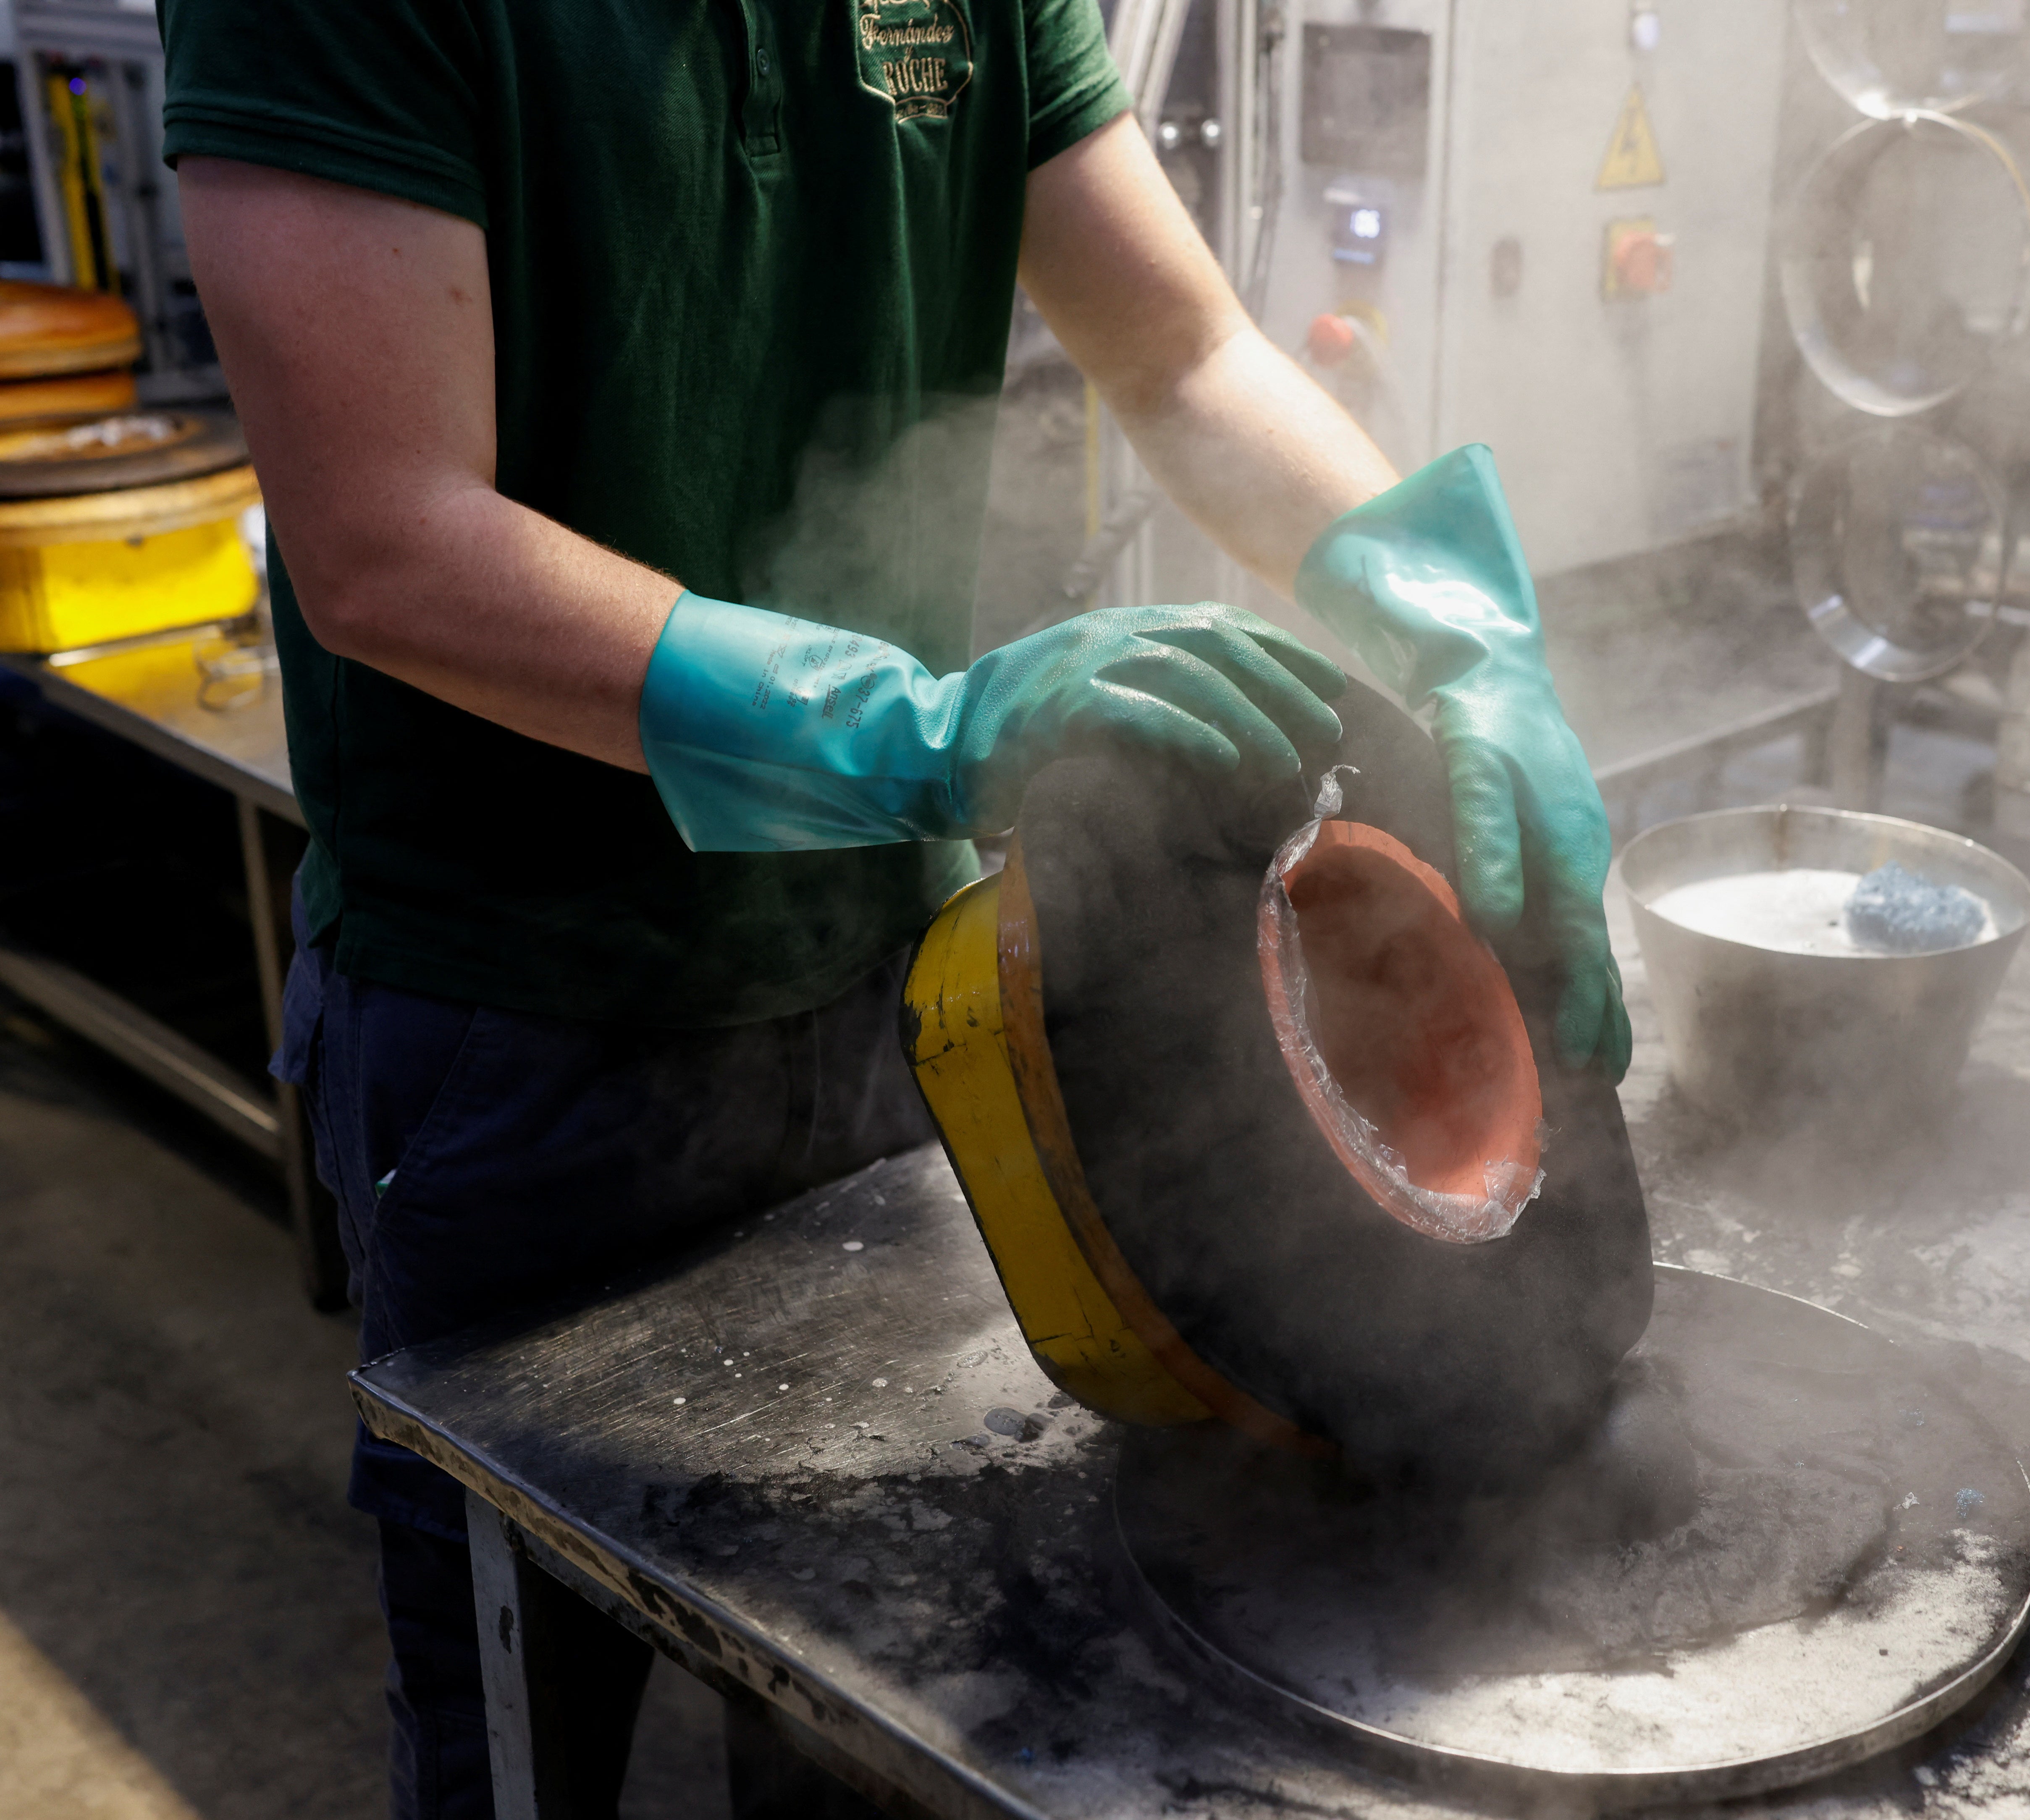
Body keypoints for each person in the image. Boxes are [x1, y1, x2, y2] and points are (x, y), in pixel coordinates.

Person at [157, 0, 1629, 1811]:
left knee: (863, 1666)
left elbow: (1181, 355)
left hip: (881, 993)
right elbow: (385, 539)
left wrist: (1457, 626)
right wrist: (920, 729)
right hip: (522, 1022)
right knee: (522, 1687)